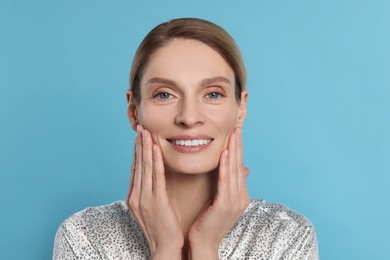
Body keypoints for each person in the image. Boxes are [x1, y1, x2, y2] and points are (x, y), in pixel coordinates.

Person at [53, 18, 319, 260]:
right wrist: (165, 249)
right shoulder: (84, 236)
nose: (189, 117)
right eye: (165, 94)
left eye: (213, 94)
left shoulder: (287, 237)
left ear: (241, 109)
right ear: (134, 110)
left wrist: (204, 247)